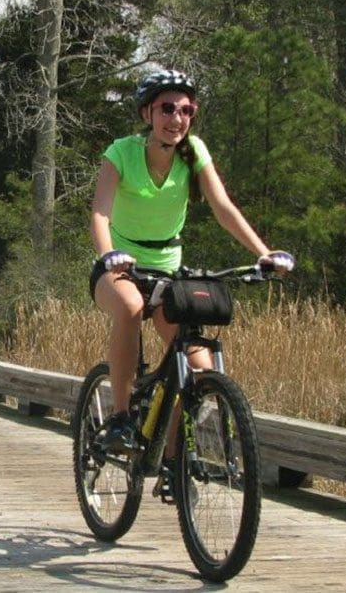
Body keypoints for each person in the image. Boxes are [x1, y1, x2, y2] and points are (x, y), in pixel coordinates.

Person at [89, 69, 293, 452]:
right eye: (167, 109)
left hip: (167, 271)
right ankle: (120, 417)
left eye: (186, 110)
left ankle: (173, 461)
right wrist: (109, 255)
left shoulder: (194, 152)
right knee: (131, 306)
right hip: (120, 266)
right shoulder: (121, 152)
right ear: (147, 113)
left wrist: (263, 254)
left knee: (200, 368)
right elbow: (100, 213)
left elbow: (223, 207)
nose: (177, 119)